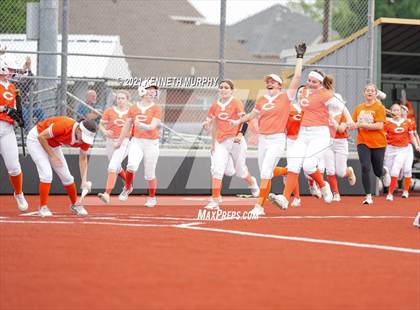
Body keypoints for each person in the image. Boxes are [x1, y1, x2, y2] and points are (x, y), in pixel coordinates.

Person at [231, 43, 306, 215]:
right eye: (268, 81)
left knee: (265, 171)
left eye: (273, 81)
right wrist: (236, 122)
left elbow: (296, 77)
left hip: (277, 139)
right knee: (267, 172)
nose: (269, 83)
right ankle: (287, 171)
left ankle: (258, 207)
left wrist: (299, 58)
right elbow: (252, 115)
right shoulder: (262, 99)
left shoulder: (286, 97)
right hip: (263, 140)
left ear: (279, 85)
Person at [271, 69, 347, 210]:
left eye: (314, 81)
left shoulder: (326, 94)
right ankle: (285, 199)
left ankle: (324, 186)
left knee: (308, 165)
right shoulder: (304, 91)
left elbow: (343, 108)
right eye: (309, 80)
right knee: (293, 165)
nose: (310, 83)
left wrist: (348, 121)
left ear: (320, 83)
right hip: (303, 133)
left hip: (320, 134)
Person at [202, 79, 259, 210]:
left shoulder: (236, 102)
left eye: (226, 87)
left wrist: (240, 135)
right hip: (221, 141)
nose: (223, 89)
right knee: (217, 170)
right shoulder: (215, 105)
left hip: (236, 141)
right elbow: (211, 123)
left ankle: (252, 182)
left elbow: (245, 121)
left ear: (231, 90)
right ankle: (215, 200)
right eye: (221, 87)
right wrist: (207, 128)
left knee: (239, 172)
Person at [26, 116, 97, 216]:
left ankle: (75, 205)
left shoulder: (86, 141)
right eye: (84, 136)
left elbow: (83, 158)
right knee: (46, 175)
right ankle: (43, 207)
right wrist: (53, 156)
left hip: (53, 143)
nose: (84, 141)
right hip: (36, 139)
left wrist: (84, 180)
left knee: (67, 177)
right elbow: (41, 137)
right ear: (78, 130)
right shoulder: (64, 125)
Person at [115, 80, 161, 208]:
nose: (152, 91)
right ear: (142, 90)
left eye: (154, 89)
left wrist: (143, 126)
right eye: (149, 89)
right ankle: (128, 187)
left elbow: (153, 125)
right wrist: (119, 141)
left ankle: (152, 197)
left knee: (150, 173)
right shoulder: (134, 108)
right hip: (137, 141)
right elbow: (126, 126)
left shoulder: (156, 108)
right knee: (131, 165)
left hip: (152, 143)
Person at [349, 83, 391, 205]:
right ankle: (368, 196)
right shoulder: (359, 108)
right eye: (367, 90)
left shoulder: (379, 107)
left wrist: (362, 125)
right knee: (365, 167)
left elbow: (379, 125)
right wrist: (348, 126)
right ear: (364, 93)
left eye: (372, 90)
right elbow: (353, 122)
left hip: (378, 142)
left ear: (376, 94)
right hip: (363, 142)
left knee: (377, 171)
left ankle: (384, 172)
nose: (370, 92)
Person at [0, 59, 28, 211]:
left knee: (14, 166)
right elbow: (5, 108)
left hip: (7, 128)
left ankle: (18, 193)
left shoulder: (11, 87)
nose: (12, 72)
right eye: (9, 69)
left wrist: (19, 116)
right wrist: (4, 109)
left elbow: (13, 107)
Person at [97, 91, 131, 203]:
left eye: (123, 98)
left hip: (123, 142)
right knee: (116, 167)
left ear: (127, 100)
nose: (120, 100)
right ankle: (129, 185)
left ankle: (107, 194)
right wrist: (105, 131)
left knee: (112, 166)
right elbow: (101, 124)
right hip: (110, 141)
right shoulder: (110, 111)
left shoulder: (131, 113)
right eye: (118, 98)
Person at [323, 94, 356, 202]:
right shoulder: (324, 112)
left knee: (341, 172)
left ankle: (349, 171)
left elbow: (341, 129)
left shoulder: (343, 113)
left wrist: (332, 120)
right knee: (330, 170)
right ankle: (336, 193)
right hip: (327, 141)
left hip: (340, 142)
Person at [384, 103, 420, 201]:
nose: (397, 112)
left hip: (404, 149)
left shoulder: (409, 122)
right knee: (390, 171)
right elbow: (383, 136)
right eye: (394, 110)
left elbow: (413, 136)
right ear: (391, 112)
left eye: (398, 110)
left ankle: (393, 193)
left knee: (405, 169)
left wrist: (417, 145)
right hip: (391, 149)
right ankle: (395, 178)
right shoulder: (387, 122)